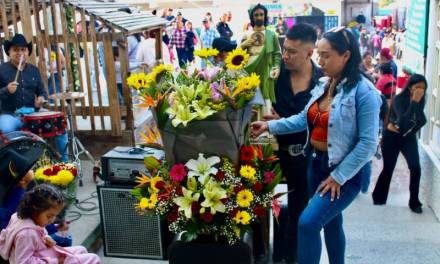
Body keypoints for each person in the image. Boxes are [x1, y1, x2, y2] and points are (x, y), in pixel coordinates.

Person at [251, 27, 381, 264]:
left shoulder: (365, 92)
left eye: (326, 55)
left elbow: (368, 144)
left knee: (308, 223)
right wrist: (269, 126)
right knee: (331, 223)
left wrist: (339, 176)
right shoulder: (324, 84)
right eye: (318, 55)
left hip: (344, 174)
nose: (320, 61)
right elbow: (303, 118)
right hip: (317, 165)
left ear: (346, 56)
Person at [264, 23, 322, 264]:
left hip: (303, 157)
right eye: (284, 49)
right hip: (272, 155)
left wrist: (284, 122)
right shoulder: (275, 77)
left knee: (299, 214)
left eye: (292, 52)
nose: (285, 56)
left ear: (309, 53)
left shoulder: (322, 83)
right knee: (263, 208)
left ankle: (292, 258)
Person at [0, 34, 68, 162]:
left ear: (28, 52)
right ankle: (14, 165)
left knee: (59, 123)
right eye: (16, 49)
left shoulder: (34, 70)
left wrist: (41, 99)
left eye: (23, 49)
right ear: (9, 51)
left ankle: (65, 162)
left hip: (33, 113)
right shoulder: (1, 70)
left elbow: (42, 92)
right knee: (6, 129)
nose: (20, 52)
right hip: (10, 114)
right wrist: (6, 90)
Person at [0, 184, 101, 263]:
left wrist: (46, 238)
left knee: (81, 249)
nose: (52, 220)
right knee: (93, 259)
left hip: (43, 254)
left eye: (54, 216)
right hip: (45, 259)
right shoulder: (26, 234)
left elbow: (38, 235)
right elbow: (23, 262)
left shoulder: (20, 217)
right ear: (35, 208)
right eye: (49, 216)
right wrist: (57, 261)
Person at [372, 74, 427, 214]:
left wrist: (411, 125)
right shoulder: (398, 100)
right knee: (388, 168)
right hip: (392, 137)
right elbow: (403, 123)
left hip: (408, 137)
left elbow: (421, 120)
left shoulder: (422, 99)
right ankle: (378, 197)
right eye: (417, 87)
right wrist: (414, 102)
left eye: (423, 88)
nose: (420, 90)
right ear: (410, 87)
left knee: (415, 168)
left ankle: (414, 201)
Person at [0, 148, 72, 247]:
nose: (31, 170)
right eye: (28, 169)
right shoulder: (20, 198)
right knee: (66, 239)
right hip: (17, 242)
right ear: (21, 180)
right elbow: (35, 221)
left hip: (13, 234)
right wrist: (56, 228)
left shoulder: (14, 193)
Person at [240, 4, 282, 103]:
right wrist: (243, 45)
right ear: (252, 17)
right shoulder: (246, 34)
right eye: (256, 15)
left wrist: (277, 66)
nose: (259, 17)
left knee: (265, 101)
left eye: (261, 14)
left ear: (265, 16)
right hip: (249, 70)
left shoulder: (272, 35)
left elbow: (277, 53)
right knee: (250, 98)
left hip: (266, 71)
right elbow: (237, 56)